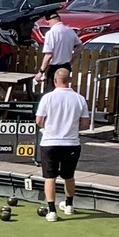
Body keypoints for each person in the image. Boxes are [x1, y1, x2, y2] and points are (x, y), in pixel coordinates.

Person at [33, 65, 90, 220]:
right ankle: (69, 205)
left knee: (49, 177)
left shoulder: (47, 98)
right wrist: (72, 127)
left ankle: (52, 211)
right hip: (71, 143)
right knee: (69, 176)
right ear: (69, 80)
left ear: (55, 80)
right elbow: (85, 124)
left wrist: (48, 127)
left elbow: (39, 121)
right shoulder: (79, 99)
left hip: (50, 143)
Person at [39, 15, 78, 92]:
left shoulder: (51, 33)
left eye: (48, 22)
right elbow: (80, 46)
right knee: (64, 89)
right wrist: (72, 60)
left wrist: (41, 71)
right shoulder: (70, 31)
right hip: (66, 66)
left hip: (54, 68)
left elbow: (49, 55)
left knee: (52, 91)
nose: (48, 24)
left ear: (51, 19)